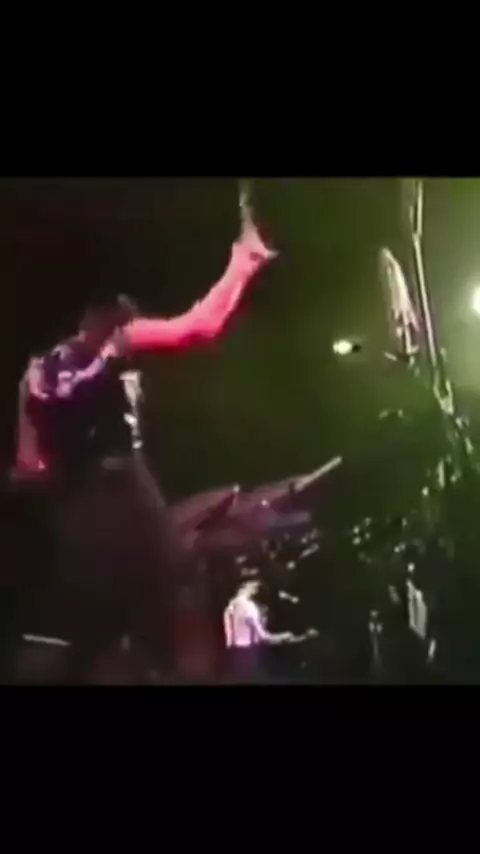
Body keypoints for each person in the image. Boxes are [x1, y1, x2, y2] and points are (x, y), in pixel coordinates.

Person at [12, 218, 277, 683]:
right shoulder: (51, 367)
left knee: (173, 587)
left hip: (119, 490)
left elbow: (199, 327)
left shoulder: (117, 348)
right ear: (96, 317)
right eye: (120, 320)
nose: (131, 329)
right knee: (133, 605)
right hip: (94, 498)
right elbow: (49, 416)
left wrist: (243, 264)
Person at [223, 579, 293, 682]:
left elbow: (228, 638)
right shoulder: (249, 607)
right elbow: (264, 637)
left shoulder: (230, 606)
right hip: (248, 655)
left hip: (233, 655)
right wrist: (284, 636)